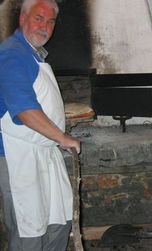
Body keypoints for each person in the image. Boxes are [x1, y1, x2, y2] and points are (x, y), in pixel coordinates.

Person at [0, 0, 80, 250]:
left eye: (51, 21)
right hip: (18, 158)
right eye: (38, 18)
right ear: (22, 19)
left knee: (57, 222)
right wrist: (62, 137)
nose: (44, 26)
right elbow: (24, 110)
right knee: (30, 233)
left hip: (42, 153)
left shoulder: (32, 53)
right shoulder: (12, 53)